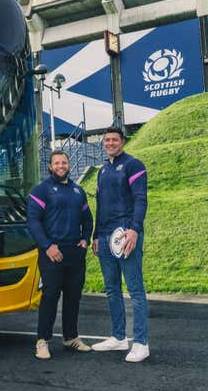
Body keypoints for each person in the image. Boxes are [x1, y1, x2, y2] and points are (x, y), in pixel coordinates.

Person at [27, 150, 94, 360]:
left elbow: (88, 218)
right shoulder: (41, 190)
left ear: (68, 165)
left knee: (74, 296)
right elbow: (33, 222)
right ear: (50, 166)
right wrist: (47, 246)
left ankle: (70, 337)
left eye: (64, 162)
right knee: (50, 296)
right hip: (52, 252)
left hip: (75, 252)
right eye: (56, 163)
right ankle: (42, 341)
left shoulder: (78, 191)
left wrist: (86, 239)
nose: (61, 166)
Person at [91, 127, 150, 363]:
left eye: (114, 139)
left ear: (123, 142)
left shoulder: (134, 165)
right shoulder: (102, 170)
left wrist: (135, 229)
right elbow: (101, 206)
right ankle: (118, 338)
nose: (110, 143)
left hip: (126, 234)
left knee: (135, 289)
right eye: (106, 140)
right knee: (112, 288)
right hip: (105, 236)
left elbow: (141, 199)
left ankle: (141, 343)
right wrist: (96, 235)